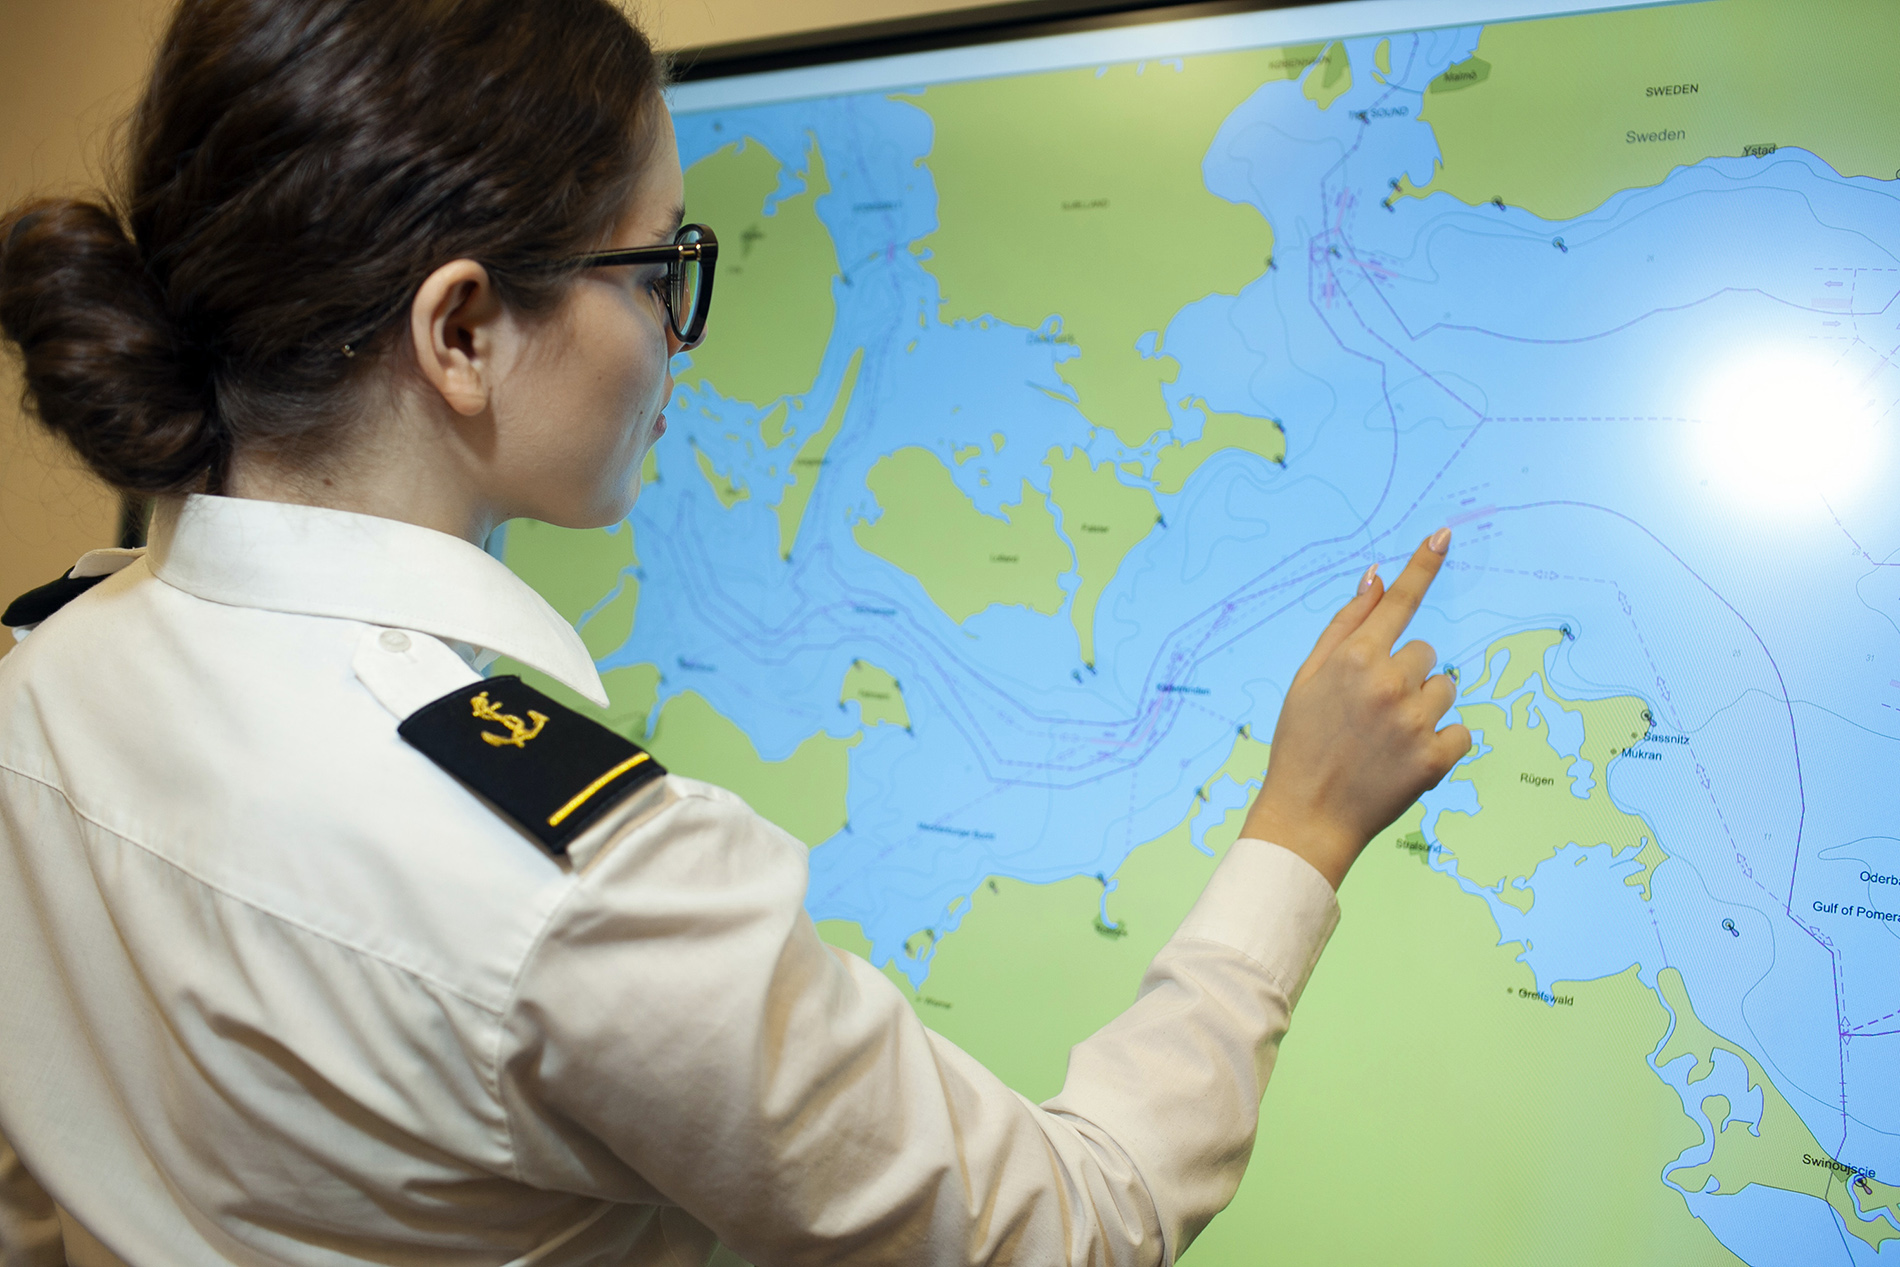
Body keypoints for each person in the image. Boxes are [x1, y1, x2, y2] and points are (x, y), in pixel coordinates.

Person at [0, 0, 1470, 1262]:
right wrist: (1301, 831)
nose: (675, 338)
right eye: (660, 270)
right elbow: (1071, 1225)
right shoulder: (590, 890)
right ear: (459, 334)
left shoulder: (43, 679)